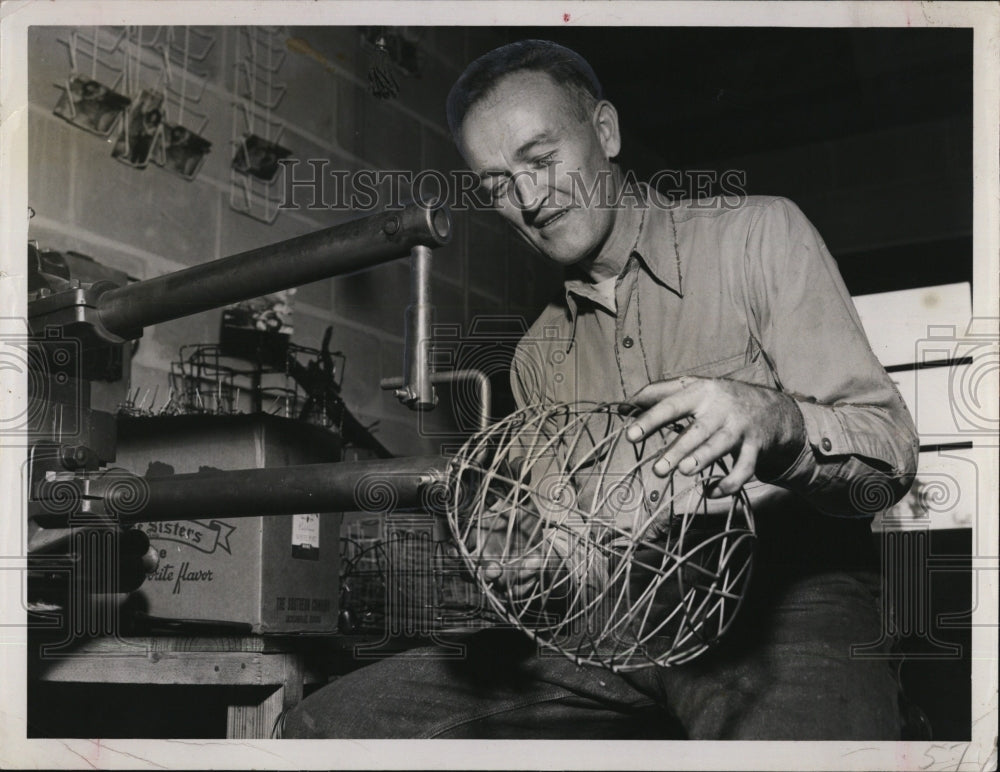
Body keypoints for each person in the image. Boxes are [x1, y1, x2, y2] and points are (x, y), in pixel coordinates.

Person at [284, 39, 919, 741]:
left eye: (540, 159)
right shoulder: (537, 356)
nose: (528, 198)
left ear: (606, 133)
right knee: (326, 724)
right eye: (497, 186)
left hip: (788, 606)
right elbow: (571, 550)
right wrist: (527, 557)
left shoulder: (759, 237)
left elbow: (888, 453)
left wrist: (780, 421)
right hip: (619, 622)